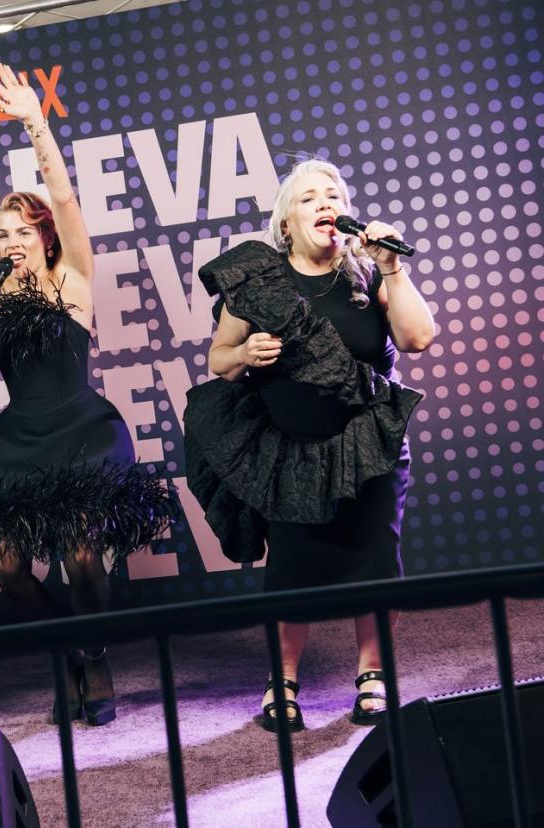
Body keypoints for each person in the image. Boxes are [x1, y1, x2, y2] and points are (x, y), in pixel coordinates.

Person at [0, 62, 174, 727]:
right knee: (8, 568)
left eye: (21, 230)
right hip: (20, 441)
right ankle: (68, 650)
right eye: (1, 233)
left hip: (81, 431)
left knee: (78, 553)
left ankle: (93, 659)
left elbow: (66, 198)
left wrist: (35, 123)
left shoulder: (72, 276)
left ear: (42, 236)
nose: (10, 242)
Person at [184, 158, 437, 731]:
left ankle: (374, 675)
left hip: (369, 444)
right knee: (291, 569)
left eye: (333, 194)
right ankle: (283, 681)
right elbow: (218, 360)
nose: (325, 203)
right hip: (291, 450)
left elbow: (417, 338)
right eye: (309, 198)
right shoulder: (257, 282)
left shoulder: (368, 274)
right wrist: (245, 355)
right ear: (287, 223)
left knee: (378, 558)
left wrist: (393, 269)